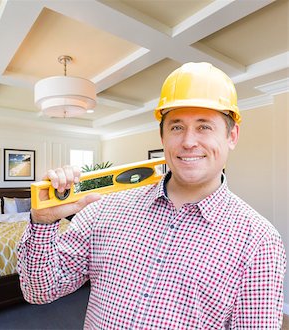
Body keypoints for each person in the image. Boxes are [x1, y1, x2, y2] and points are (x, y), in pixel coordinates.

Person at [17, 62, 286, 328]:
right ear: (163, 137)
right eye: (177, 127)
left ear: (232, 136)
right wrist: (43, 222)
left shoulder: (259, 242)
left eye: (204, 126)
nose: (189, 141)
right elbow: (40, 291)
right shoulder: (104, 209)